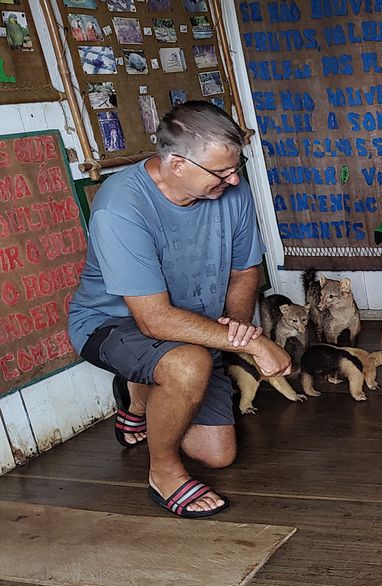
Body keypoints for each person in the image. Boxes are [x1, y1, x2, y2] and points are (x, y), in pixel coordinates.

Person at [67, 101, 290, 518]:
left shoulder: (230, 189)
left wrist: (238, 330)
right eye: (221, 172)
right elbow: (153, 320)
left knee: (218, 455)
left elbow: (245, 270)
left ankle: (139, 395)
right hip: (113, 323)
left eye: (235, 167)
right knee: (187, 365)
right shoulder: (120, 207)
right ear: (176, 163)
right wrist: (256, 345)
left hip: (192, 323)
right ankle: (163, 472)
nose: (234, 178)